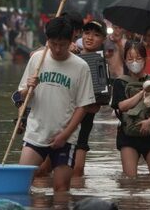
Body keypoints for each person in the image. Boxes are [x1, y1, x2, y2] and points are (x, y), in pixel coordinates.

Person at [17, 16, 96, 192]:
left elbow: (83, 106)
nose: (58, 49)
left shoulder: (81, 67)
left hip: (65, 137)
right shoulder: (37, 60)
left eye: (62, 44)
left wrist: (65, 134)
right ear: (47, 40)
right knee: (21, 184)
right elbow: (22, 97)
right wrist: (27, 89)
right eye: (53, 44)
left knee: (61, 189)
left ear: (71, 41)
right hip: (36, 133)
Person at [110, 41, 150, 178]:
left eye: (138, 58)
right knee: (129, 180)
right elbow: (122, 106)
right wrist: (143, 92)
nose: (134, 62)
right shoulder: (120, 82)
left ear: (145, 59)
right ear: (125, 60)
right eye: (130, 59)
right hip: (129, 136)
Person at [73, 20, 106, 177]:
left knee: (78, 171)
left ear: (103, 39)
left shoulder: (100, 66)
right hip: (59, 122)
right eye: (87, 33)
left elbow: (96, 106)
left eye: (96, 35)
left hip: (83, 127)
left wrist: (80, 103)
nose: (90, 38)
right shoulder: (67, 56)